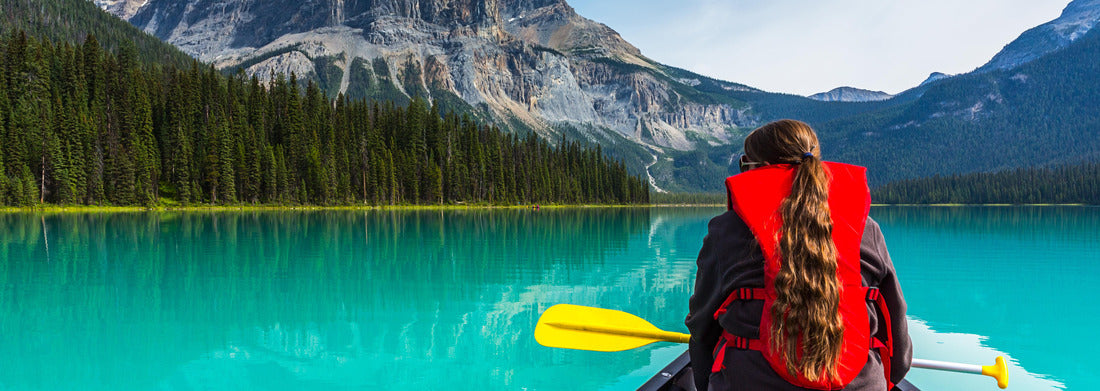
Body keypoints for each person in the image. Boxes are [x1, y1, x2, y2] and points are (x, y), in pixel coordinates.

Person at [685, 119, 911, 391]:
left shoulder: (726, 231)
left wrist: (705, 382)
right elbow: (896, 335)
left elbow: (701, 328)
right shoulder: (866, 228)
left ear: (757, 169)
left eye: (744, 165)